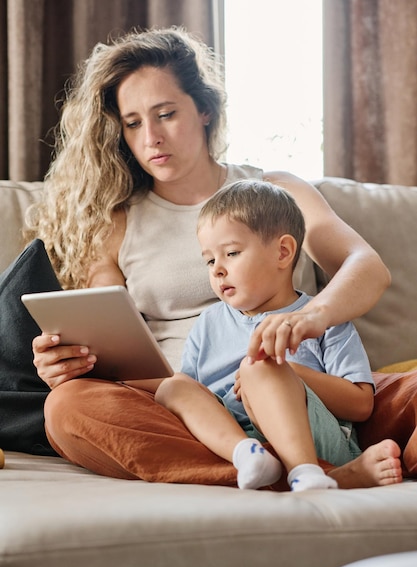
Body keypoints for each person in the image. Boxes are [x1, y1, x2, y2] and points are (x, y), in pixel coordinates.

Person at [29, 26, 402, 488]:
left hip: (309, 384)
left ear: (205, 109)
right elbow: (119, 357)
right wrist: (69, 364)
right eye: (133, 123)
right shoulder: (116, 223)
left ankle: (290, 463)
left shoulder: (276, 191)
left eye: (165, 114)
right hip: (196, 413)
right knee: (68, 408)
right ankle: (299, 471)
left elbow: (367, 268)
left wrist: (311, 318)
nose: (151, 137)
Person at [155, 180, 379, 492]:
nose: (217, 270)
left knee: (258, 366)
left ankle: (305, 471)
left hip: (312, 437)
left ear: (283, 252)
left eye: (231, 253)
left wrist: (291, 372)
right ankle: (247, 455)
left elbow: (361, 405)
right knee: (174, 386)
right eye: (209, 260)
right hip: (232, 440)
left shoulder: (322, 319)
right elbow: (193, 397)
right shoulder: (208, 323)